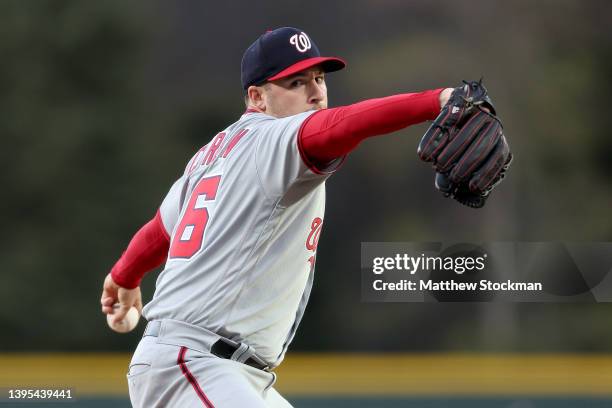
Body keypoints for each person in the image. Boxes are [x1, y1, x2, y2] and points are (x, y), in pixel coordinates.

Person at [101, 26, 452, 407]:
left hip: (218, 369)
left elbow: (161, 230)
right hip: (195, 365)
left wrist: (123, 276)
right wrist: (440, 100)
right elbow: (347, 123)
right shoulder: (273, 140)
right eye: (296, 82)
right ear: (257, 96)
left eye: (319, 78)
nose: (316, 92)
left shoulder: (211, 156)